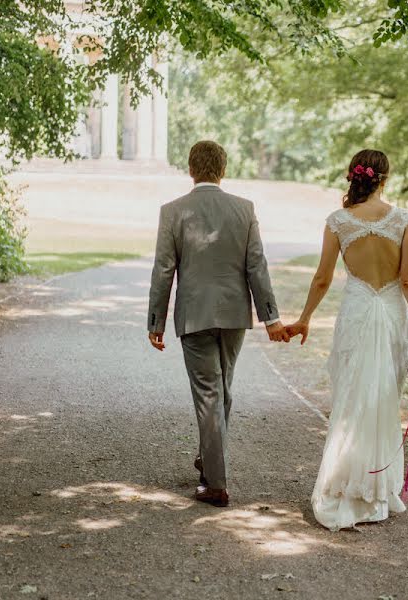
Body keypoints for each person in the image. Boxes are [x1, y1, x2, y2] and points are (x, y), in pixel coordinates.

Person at [286, 149, 408, 530]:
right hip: (388, 314)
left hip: (355, 313)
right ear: (383, 179)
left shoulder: (338, 221)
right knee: (383, 396)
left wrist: (305, 318)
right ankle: (376, 489)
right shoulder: (403, 219)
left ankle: (348, 484)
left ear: (354, 177)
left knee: (352, 396)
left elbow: (322, 278)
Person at [146, 140, 290, 507]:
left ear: (191, 169)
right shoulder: (244, 210)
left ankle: (216, 483)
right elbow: (257, 265)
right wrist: (270, 316)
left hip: (194, 316)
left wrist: (155, 320)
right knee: (221, 388)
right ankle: (209, 456)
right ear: (222, 170)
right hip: (233, 315)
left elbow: (164, 270)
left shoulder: (172, 211)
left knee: (210, 392)